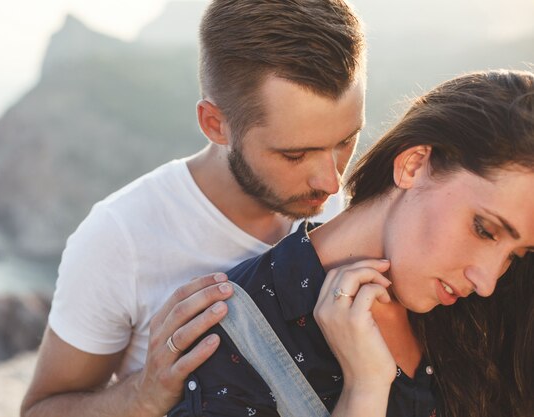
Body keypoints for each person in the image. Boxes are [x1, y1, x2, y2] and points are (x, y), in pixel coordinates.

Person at [21, 1, 366, 416]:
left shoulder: (339, 204)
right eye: (295, 155)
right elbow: (40, 409)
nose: (331, 182)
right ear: (215, 124)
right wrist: (141, 396)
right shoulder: (119, 238)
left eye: (346, 140)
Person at [168, 69, 534, 417]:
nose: (486, 282)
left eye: (515, 255)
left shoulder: (504, 304)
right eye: (484, 230)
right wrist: (365, 389)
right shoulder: (234, 337)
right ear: (414, 165)